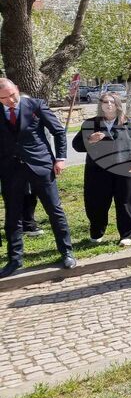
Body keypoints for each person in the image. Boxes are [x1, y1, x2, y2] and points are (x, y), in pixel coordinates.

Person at [0, 77, 77, 278]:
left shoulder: (35, 105)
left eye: (12, 95)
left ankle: (66, 252)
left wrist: (60, 158)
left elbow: (58, 131)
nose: (10, 100)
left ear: (17, 88)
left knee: (54, 210)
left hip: (40, 166)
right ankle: (15, 259)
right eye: (4, 98)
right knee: (13, 216)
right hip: (10, 171)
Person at [71, 92, 131, 247]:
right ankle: (97, 232)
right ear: (101, 105)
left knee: (126, 203)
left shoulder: (130, 123)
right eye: (105, 102)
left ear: (118, 104)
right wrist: (90, 140)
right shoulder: (90, 124)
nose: (109, 105)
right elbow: (76, 145)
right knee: (96, 203)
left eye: (112, 102)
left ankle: (127, 234)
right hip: (97, 171)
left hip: (125, 169)